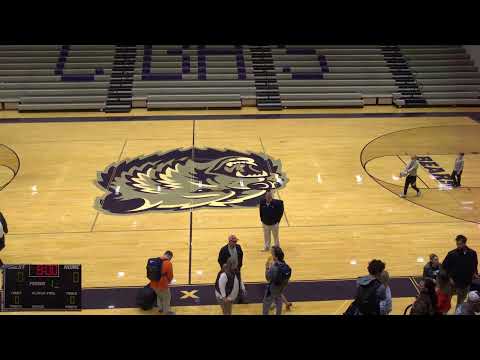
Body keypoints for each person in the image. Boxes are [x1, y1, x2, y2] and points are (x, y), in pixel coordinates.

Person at [442, 235, 479, 309]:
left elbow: (475, 265)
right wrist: (449, 278)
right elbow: (444, 267)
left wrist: (475, 273)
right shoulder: (451, 254)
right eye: (457, 244)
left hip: (465, 283)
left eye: (460, 244)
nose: (458, 246)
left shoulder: (472, 253)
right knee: (446, 303)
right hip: (453, 284)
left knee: (460, 303)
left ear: (464, 243)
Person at [262, 246, 291, 315]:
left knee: (266, 302)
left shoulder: (274, 267)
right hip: (282, 285)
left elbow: (268, 278)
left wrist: (267, 267)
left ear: (276, 256)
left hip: (273, 287)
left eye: (272, 253)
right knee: (279, 299)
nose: (271, 254)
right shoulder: (284, 264)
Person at [217, 234, 246, 303]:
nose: (235, 243)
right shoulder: (224, 249)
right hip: (228, 271)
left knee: (238, 284)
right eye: (234, 241)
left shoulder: (238, 247)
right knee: (229, 285)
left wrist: (239, 266)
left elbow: (241, 256)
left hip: (236, 270)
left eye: (236, 241)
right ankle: (228, 298)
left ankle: (240, 299)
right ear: (229, 241)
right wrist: (224, 268)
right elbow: (220, 260)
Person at [149, 250, 175, 315]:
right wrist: (168, 281)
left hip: (153, 283)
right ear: (169, 256)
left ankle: (160, 308)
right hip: (162, 284)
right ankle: (166, 312)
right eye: (170, 258)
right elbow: (170, 275)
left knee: (159, 295)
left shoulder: (154, 260)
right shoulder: (168, 263)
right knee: (167, 297)